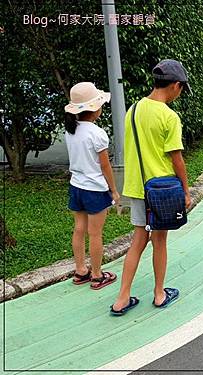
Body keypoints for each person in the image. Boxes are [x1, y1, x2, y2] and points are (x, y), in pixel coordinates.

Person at [110, 59, 192, 316]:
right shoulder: (169, 116)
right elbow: (176, 158)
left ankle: (122, 298)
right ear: (176, 85)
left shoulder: (133, 109)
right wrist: (186, 191)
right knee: (160, 241)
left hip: (137, 189)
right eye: (181, 89)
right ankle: (159, 294)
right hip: (163, 191)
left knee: (137, 241)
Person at [64, 82, 119, 290]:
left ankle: (80, 271)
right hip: (95, 189)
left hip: (76, 186)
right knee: (95, 234)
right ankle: (97, 275)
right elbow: (105, 166)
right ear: (95, 108)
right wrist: (113, 190)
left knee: (79, 230)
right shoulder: (97, 134)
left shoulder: (70, 130)